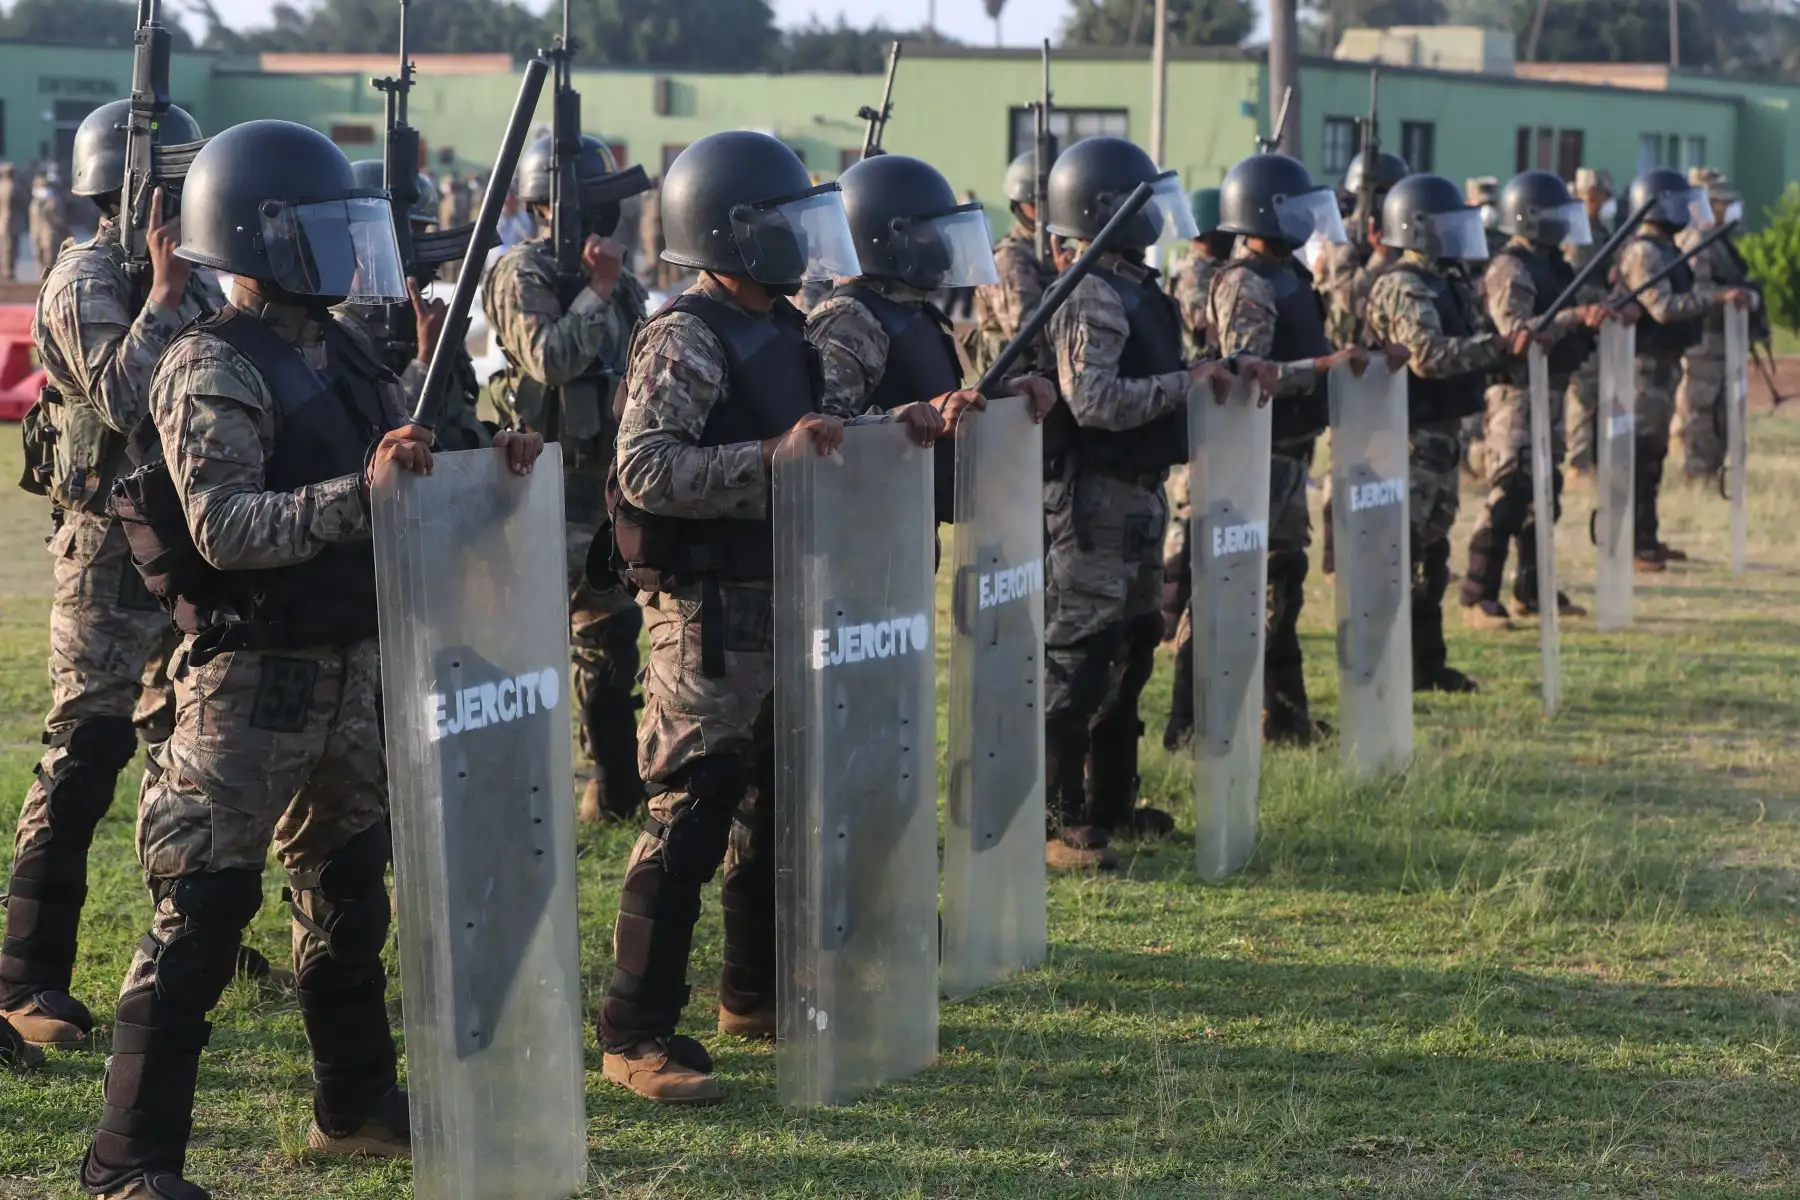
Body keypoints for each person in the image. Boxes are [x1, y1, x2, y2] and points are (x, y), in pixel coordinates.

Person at [76, 117, 543, 1200]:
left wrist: (488, 465)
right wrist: (359, 497)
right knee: (200, 915)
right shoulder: (208, 362)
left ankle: (353, 1105)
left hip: (354, 674)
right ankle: (126, 1162)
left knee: (347, 897)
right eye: (328, 229)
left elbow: (410, 484)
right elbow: (226, 529)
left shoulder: (349, 355)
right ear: (264, 234)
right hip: (251, 688)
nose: (348, 250)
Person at [599, 130, 960, 1101]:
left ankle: (751, 994)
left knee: (773, 809)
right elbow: (643, 468)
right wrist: (767, 459)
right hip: (708, 618)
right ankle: (634, 1034)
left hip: (789, 602)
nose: (807, 244)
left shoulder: (789, 327)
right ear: (732, 232)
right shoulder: (685, 335)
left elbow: (820, 441)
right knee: (688, 816)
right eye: (787, 224)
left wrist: (902, 427)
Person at [3, 99, 281, 1055]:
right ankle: (26, 976)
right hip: (106, 557)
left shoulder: (196, 282)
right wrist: (160, 297)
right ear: (121, 192)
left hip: (183, 543)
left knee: (189, 751)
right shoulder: (82, 278)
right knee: (84, 753)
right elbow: (121, 398)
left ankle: (195, 939)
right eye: (167, 185)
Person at [1034, 134, 1229, 868]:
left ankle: (1112, 798)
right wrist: (1189, 383)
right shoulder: (1089, 290)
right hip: (1092, 501)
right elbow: (1094, 403)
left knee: (1135, 643)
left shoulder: (1135, 285)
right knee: (1079, 656)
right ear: (1107, 210)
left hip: (1141, 494)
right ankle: (1058, 817)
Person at [482, 133, 649, 825]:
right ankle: (510, 796)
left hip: (602, 492)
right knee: (522, 653)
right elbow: (548, 358)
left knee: (610, 647)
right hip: (533, 491)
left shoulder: (622, 282)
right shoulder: (521, 272)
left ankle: (612, 789)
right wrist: (597, 292)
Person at [1210, 152, 1398, 743]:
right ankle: (1199, 721)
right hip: (1254, 460)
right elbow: (1247, 373)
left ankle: (1284, 716)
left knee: (1283, 585)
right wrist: (1323, 366)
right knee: (1239, 591)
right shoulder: (1246, 282)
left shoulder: (1290, 275)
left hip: (1292, 453)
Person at [805, 152, 1053, 528]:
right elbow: (818, 443)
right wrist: (899, 421)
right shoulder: (849, 321)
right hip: (856, 540)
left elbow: (937, 405)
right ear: (885, 235)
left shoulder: (915, 312)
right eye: (929, 231)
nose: (942, 244)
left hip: (907, 532)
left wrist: (1003, 397)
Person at [1364, 172, 1530, 692]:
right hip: (1405, 441)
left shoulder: (1448, 280)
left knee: (1432, 559)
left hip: (1440, 439)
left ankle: (1426, 666)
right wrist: (1498, 348)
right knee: (1399, 555)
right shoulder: (1402, 284)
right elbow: (1428, 357)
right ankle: (1383, 670)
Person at [1460, 170, 1615, 628]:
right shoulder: (1511, 266)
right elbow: (1518, 332)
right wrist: (1575, 316)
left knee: (1544, 494)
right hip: (1516, 393)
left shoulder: (1550, 262)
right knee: (1509, 491)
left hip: (1550, 390)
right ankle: (1477, 595)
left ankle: (1532, 588)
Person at [1617, 168, 1754, 572]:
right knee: (1639, 452)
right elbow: (1661, 307)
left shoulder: (1668, 249)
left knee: (1655, 451)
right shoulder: (1644, 251)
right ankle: (1631, 542)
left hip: (1663, 365)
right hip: (1642, 366)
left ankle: (1647, 537)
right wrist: (1715, 299)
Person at [341, 161, 488, 454]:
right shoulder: (338, 332)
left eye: (424, 236)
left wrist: (495, 444)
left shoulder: (425, 321)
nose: (424, 252)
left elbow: (459, 418)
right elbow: (381, 441)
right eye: (411, 240)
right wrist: (425, 360)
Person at [1159, 186, 1232, 750]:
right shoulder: (1195, 277)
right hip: (1195, 411)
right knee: (1186, 530)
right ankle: (1169, 620)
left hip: (1201, 407)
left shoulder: (1206, 272)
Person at [1675, 169, 1755, 487]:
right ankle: (1698, 471)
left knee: (1723, 409)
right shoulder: (1695, 241)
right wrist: (1726, 297)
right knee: (1701, 409)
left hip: (1725, 338)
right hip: (1704, 339)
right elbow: (1695, 292)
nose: (1724, 209)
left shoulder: (1719, 241)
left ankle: (1714, 471)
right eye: (1718, 203)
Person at [967, 148, 1053, 380]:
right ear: (1019, 206)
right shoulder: (1010, 261)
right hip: (1012, 393)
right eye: (1035, 205)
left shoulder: (1055, 254)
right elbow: (1030, 335)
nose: (1045, 214)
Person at [1319, 150, 1409, 349]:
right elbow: (1350, 298)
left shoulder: (1403, 232)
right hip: (1350, 350)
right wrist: (1381, 256)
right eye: (1383, 192)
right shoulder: (1343, 235)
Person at [1563, 167, 1615, 485]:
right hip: (1580, 325)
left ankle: (1595, 458)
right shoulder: (1574, 233)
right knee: (1582, 396)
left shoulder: (1600, 231)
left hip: (1601, 326)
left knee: (1598, 394)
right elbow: (1575, 284)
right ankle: (1578, 462)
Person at [30, 168, 69, 280]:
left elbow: (57, 217)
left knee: (50, 255)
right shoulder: (37, 201)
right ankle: (42, 276)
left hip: (49, 231)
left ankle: (48, 276)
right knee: (39, 254)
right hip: (37, 230)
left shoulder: (53, 199)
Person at [0, 162, 17, 281]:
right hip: (11, 221)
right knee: (10, 247)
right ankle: (8, 271)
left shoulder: (1, 185)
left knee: (4, 247)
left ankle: (4, 270)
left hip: (3, 220)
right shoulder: (12, 186)